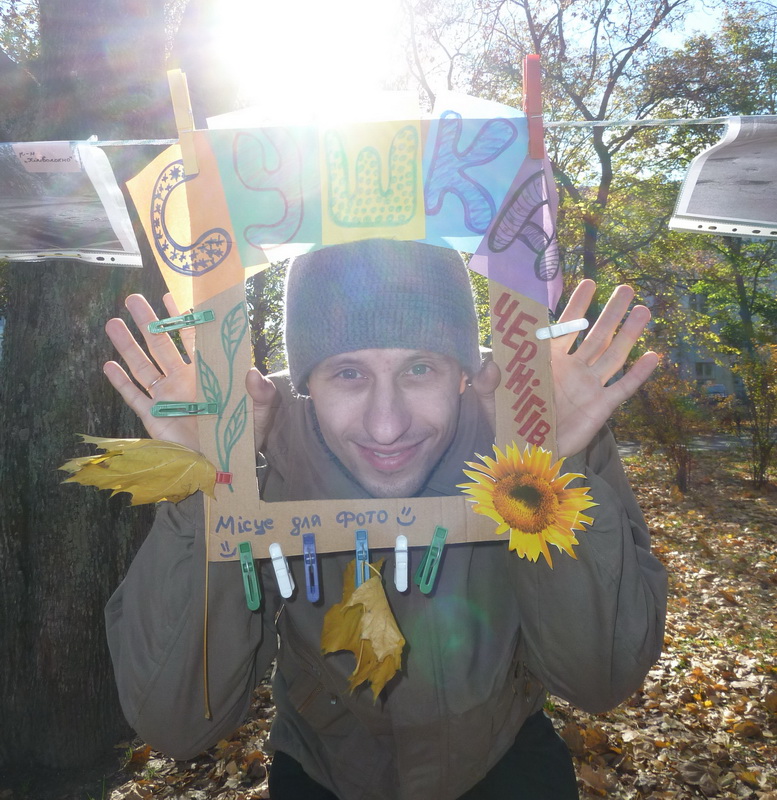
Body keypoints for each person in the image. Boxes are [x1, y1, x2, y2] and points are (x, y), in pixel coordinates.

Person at [103, 239, 667, 800]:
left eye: (419, 368)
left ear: (463, 373)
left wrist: (545, 472)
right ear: (306, 384)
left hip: (501, 755)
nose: (387, 426)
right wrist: (212, 486)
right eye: (348, 373)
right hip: (325, 768)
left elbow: (601, 679)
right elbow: (176, 723)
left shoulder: (535, 418)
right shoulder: (253, 437)